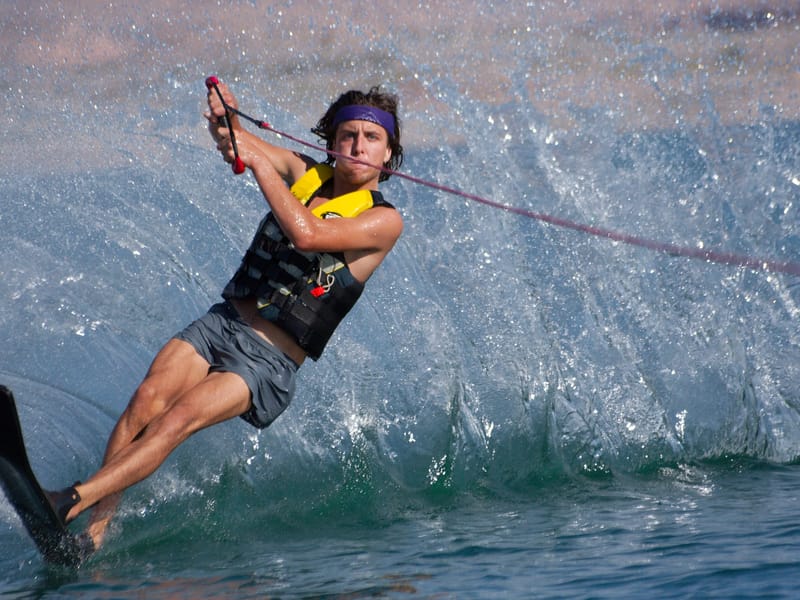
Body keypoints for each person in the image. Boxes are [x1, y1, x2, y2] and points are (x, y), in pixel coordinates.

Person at [48, 79, 404, 552]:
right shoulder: (304, 171)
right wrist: (226, 119)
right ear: (333, 143)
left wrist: (257, 162)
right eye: (348, 136)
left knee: (176, 421)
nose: (358, 145)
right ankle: (92, 535)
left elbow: (308, 235)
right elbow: (238, 143)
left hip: (266, 363)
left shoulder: (383, 221)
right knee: (146, 402)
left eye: (371, 138)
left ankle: (69, 500)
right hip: (223, 323)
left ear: (387, 153)